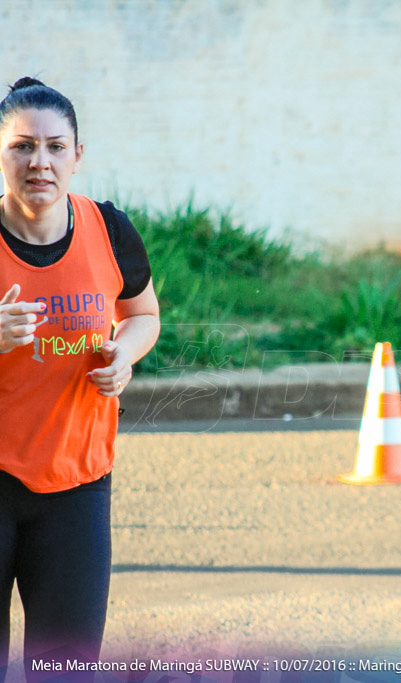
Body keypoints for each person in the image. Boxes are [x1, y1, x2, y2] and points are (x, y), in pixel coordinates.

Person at [0, 77, 160, 681]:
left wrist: (124, 354)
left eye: (54, 146)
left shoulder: (109, 229)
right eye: (21, 146)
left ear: (77, 155)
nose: (39, 161)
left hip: (77, 482)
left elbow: (143, 315)